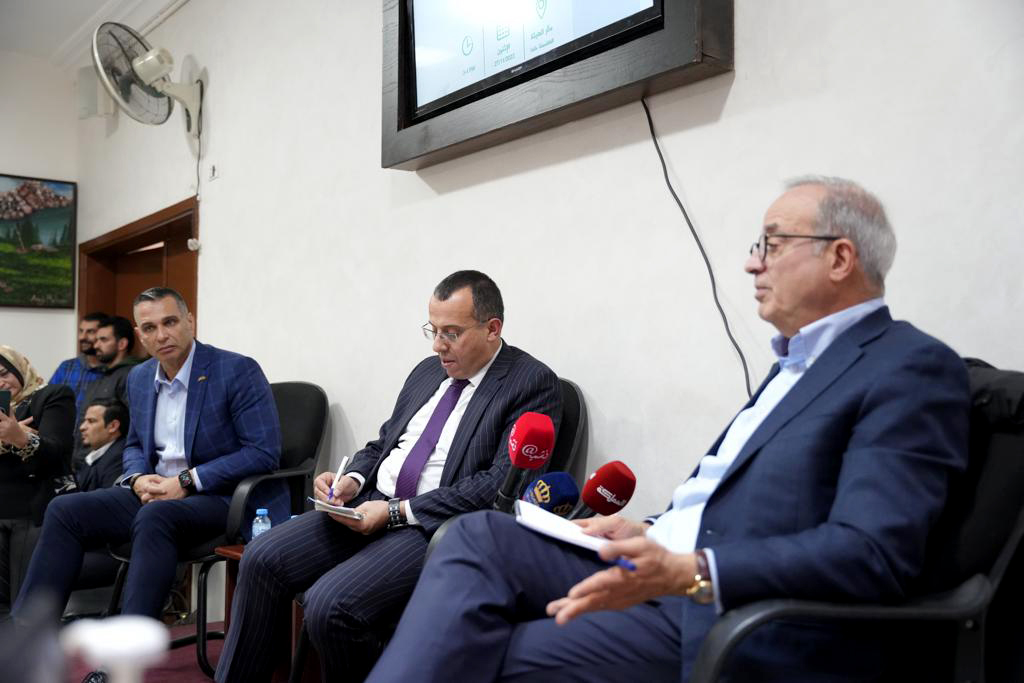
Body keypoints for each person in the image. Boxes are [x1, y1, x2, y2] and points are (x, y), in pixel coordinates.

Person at [366, 178, 971, 683]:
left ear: (839, 258)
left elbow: (871, 554)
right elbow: (726, 500)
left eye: (773, 243)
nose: (752, 261)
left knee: (488, 653)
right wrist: (648, 528)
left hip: (722, 606)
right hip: (661, 562)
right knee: (478, 536)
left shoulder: (908, 367)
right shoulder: (793, 367)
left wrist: (694, 569)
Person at [215, 270, 563, 683]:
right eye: (433, 330)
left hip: (430, 528)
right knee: (261, 557)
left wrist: (397, 512)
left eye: (451, 333)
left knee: (331, 605)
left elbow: (500, 485)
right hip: (369, 504)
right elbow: (384, 444)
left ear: (492, 329)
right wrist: (352, 479)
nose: (438, 346)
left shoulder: (531, 383)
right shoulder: (427, 372)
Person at [13, 287, 287, 683]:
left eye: (170, 322)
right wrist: (138, 477)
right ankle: (27, 641)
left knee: (155, 517)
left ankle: (120, 662)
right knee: (66, 510)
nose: (162, 335)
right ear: (139, 335)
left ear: (190, 321)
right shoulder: (140, 377)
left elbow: (263, 452)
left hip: (220, 496)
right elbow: (135, 445)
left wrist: (186, 481)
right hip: (157, 492)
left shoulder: (236, 370)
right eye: (150, 327)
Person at [0, 346, 75, 617]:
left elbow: (56, 452)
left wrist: (20, 437)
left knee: (27, 607)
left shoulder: (51, 396)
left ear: (20, 369)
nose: (0, 383)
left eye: (4, 373)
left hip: (34, 512)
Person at [71, 316, 142, 472]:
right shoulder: (103, 375)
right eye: (96, 340)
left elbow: (135, 426)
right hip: (86, 464)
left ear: (122, 344)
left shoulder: (131, 376)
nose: (96, 345)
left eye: (103, 340)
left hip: (111, 466)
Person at [48, 312, 108, 414]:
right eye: (81, 331)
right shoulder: (66, 367)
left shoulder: (111, 371)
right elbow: (48, 401)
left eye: (90, 332)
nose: (82, 337)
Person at [75, 397, 129, 492]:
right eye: (84, 421)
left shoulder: (120, 458)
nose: (82, 427)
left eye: (91, 421)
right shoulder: (97, 456)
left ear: (113, 426)